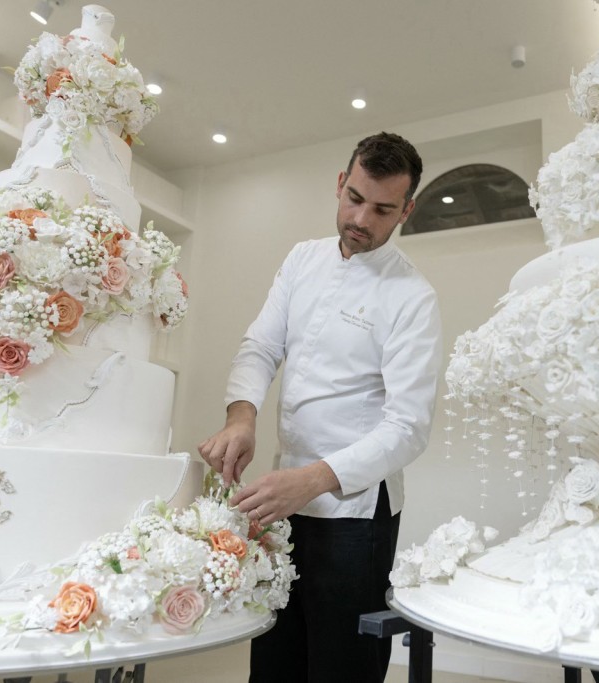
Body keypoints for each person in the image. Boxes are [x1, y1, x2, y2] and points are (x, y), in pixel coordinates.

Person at [198, 131, 443, 683]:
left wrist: (315, 479)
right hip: (286, 499)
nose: (362, 217)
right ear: (340, 183)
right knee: (277, 654)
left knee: (341, 668)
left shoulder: (413, 297)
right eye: (354, 197)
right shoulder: (302, 259)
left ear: (406, 209)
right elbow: (261, 346)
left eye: (382, 209)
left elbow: (408, 428)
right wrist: (242, 416)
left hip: (354, 513)